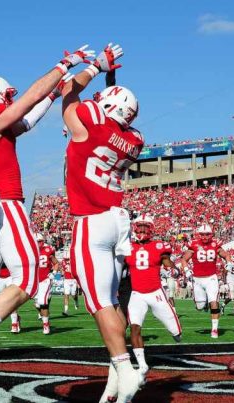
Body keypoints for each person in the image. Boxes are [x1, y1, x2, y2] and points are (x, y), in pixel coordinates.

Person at [0, 43, 95, 400]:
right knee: (27, 279)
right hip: (4, 204)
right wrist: (62, 66)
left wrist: (55, 94)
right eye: (4, 95)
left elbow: (26, 118)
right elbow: (25, 103)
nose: (10, 100)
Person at [60, 42, 145, 402]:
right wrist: (111, 81)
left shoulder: (92, 124)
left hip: (92, 221)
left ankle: (127, 370)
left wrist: (96, 66)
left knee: (99, 304)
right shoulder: (134, 139)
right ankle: (115, 381)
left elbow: (68, 92)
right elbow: (111, 117)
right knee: (109, 301)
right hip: (118, 219)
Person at [124, 214, 181, 384]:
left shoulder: (158, 246)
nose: (141, 229)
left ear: (151, 229)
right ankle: (142, 365)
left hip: (155, 293)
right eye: (139, 226)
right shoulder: (127, 247)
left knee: (176, 333)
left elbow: (166, 261)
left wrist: (173, 269)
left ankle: (176, 333)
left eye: (145, 227)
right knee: (134, 328)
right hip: (136, 294)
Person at [181, 224, 234, 338]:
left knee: (214, 302)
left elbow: (226, 255)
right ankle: (204, 304)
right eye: (202, 234)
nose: (205, 237)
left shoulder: (215, 244)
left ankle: (214, 329)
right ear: (199, 235)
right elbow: (184, 259)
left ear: (211, 234)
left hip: (211, 278)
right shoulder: (194, 244)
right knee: (199, 307)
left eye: (207, 234)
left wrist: (229, 263)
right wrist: (186, 270)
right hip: (197, 279)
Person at [34, 233, 59, 334]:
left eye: (39, 241)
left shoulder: (48, 250)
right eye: (36, 242)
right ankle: (46, 318)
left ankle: (45, 325)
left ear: (42, 241)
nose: (38, 244)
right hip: (34, 281)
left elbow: (56, 263)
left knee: (43, 303)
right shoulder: (30, 251)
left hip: (45, 280)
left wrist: (53, 273)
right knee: (36, 304)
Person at [61, 250, 79, 315]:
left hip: (73, 280)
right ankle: (66, 310)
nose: (66, 260)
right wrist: (62, 272)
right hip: (66, 280)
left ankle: (76, 301)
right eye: (65, 259)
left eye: (67, 259)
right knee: (66, 294)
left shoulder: (74, 261)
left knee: (73, 295)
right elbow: (62, 269)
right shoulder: (63, 261)